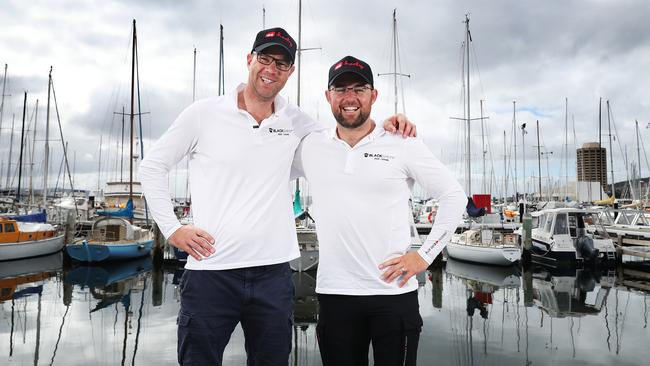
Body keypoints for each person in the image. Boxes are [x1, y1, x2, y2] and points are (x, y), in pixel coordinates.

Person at [139, 29, 416, 365]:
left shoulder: (298, 122)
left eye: (281, 63)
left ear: (290, 72)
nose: (271, 68)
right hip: (212, 271)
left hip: (273, 276)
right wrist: (172, 229)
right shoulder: (203, 114)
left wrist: (387, 127)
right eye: (265, 58)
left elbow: (347, 134)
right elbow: (152, 167)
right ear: (249, 60)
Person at [291, 56, 466, 365]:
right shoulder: (311, 147)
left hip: (394, 296)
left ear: (374, 96)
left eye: (359, 88)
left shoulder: (402, 143)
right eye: (340, 88)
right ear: (328, 96)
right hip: (335, 295)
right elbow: (261, 166)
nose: (350, 97)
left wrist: (425, 255)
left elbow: (453, 196)